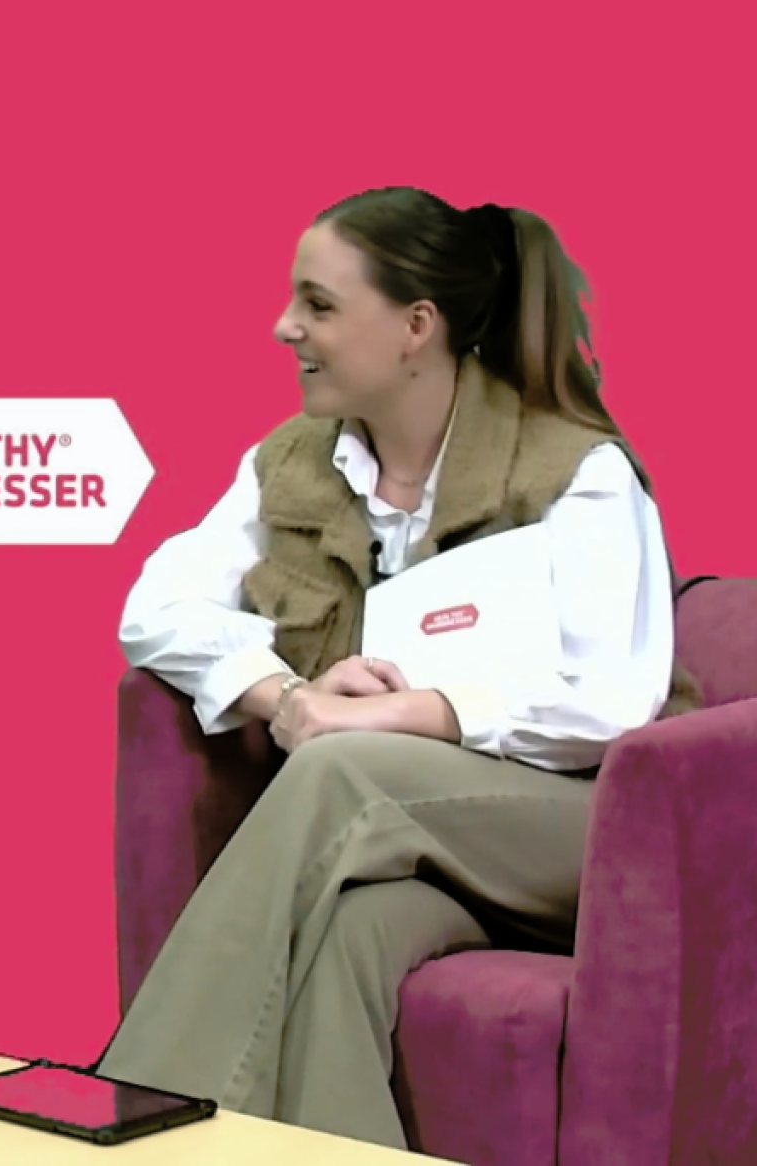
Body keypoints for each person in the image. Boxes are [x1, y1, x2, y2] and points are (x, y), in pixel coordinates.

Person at [95, 186, 701, 1149]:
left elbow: (612, 703)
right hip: (412, 840)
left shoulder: (577, 472)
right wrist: (291, 697)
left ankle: (144, 1123)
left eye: (320, 304)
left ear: (417, 326)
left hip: (588, 835)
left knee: (342, 773)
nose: (285, 325)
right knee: (350, 939)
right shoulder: (296, 464)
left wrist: (403, 713)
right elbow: (155, 608)